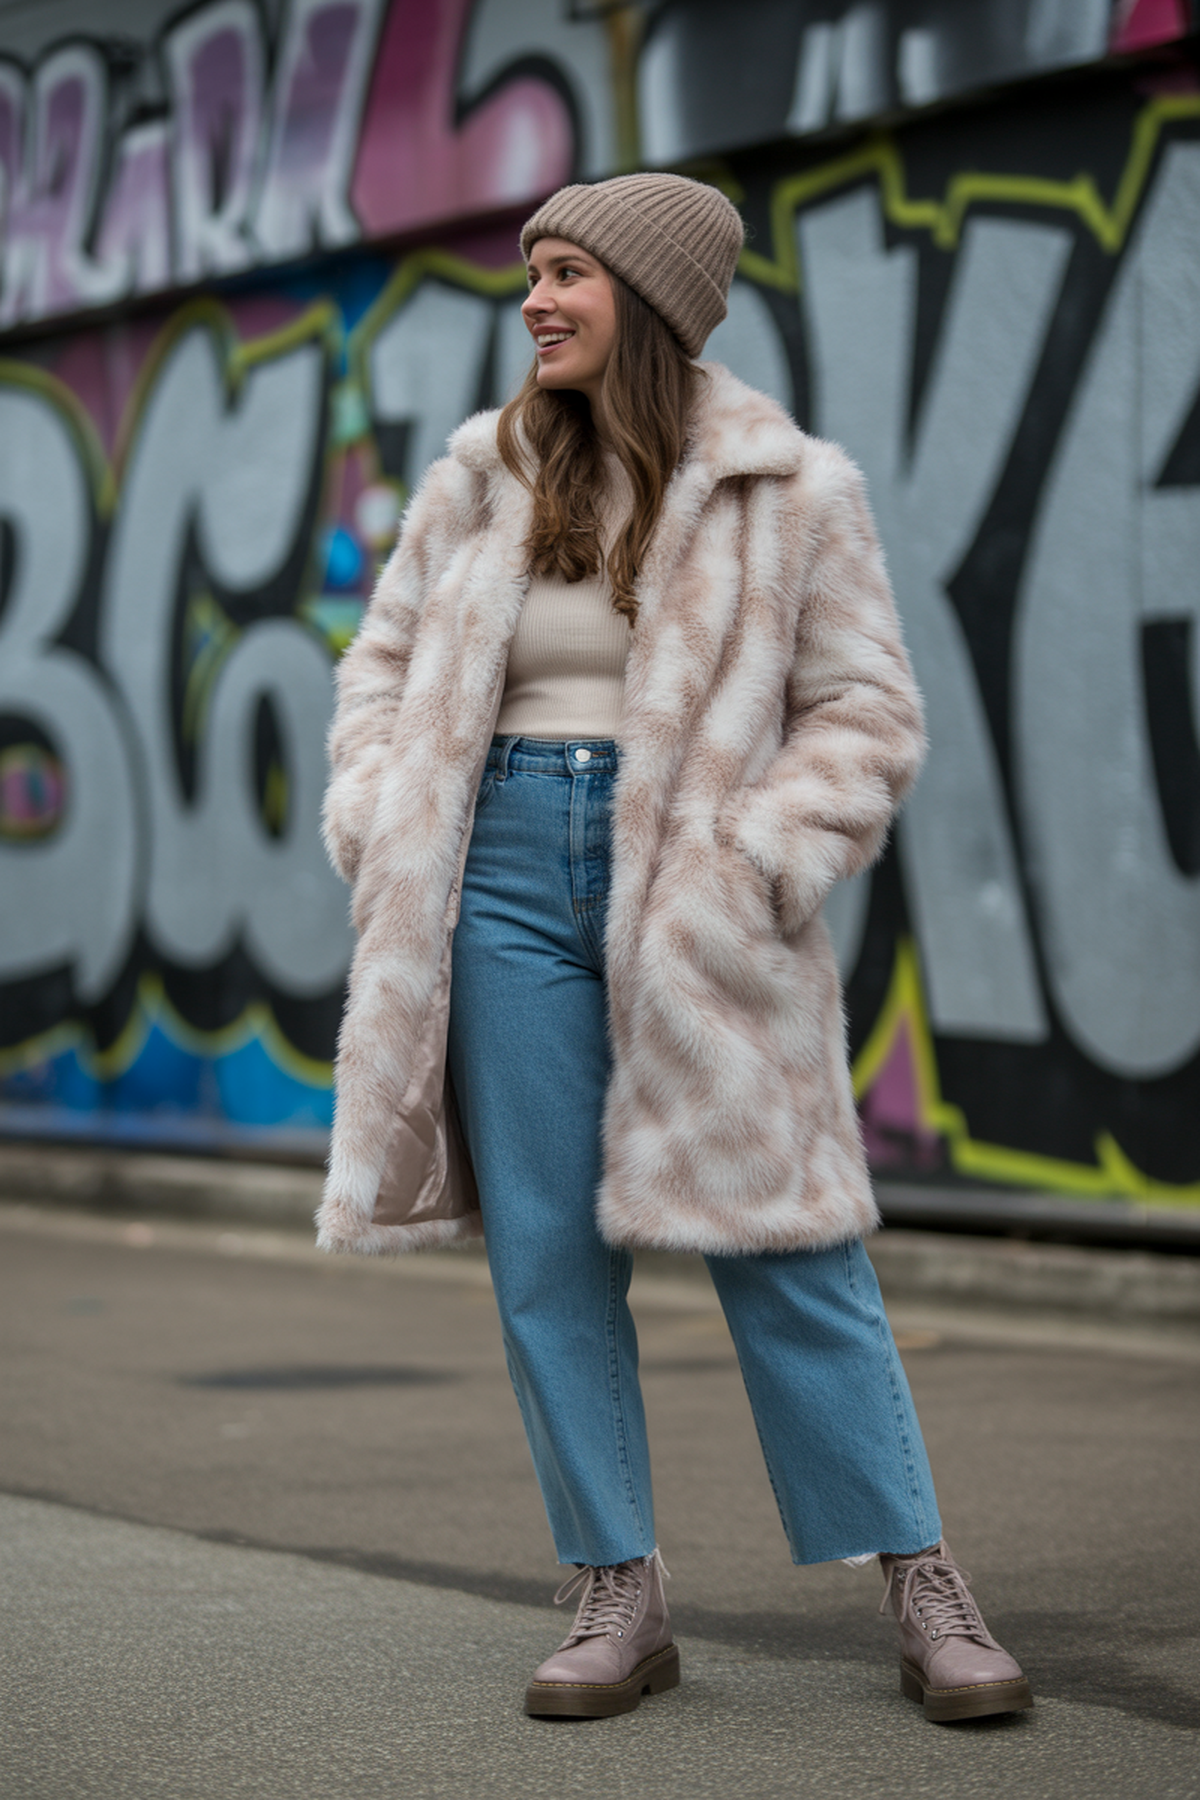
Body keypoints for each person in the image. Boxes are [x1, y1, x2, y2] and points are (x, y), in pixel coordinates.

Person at [316, 173, 1032, 1726]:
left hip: (690, 890)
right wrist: (383, 816)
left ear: (650, 299)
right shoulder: (478, 475)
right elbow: (378, 672)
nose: (537, 302)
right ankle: (615, 1592)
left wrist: (755, 861)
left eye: (568, 273)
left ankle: (921, 1578)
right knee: (549, 1258)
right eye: (531, 276)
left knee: (788, 1234)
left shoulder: (790, 491)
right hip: (499, 876)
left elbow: (866, 712)